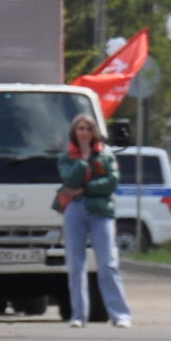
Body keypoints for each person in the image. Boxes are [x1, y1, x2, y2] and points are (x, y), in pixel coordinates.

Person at [56, 113, 131, 328]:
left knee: (108, 263)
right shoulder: (66, 156)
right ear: (74, 132)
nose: (84, 133)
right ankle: (78, 315)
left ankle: (120, 314)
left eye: (88, 129)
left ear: (94, 132)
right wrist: (82, 159)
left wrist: (86, 188)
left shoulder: (105, 155)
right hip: (75, 210)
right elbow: (69, 180)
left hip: (100, 211)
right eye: (80, 128)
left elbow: (111, 182)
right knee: (76, 264)